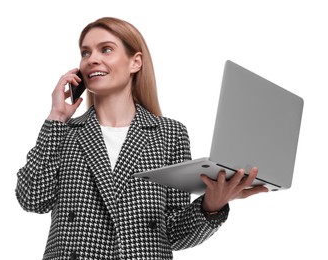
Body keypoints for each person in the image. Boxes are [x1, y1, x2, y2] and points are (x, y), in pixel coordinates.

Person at [16, 17, 268, 260]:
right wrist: (56, 118)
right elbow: (32, 199)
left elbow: (174, 234)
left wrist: (211, 206)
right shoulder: (65, 131)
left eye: (105, 49)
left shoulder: (170, 134)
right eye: (85, 53)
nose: (92, 59)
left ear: (135, 62)